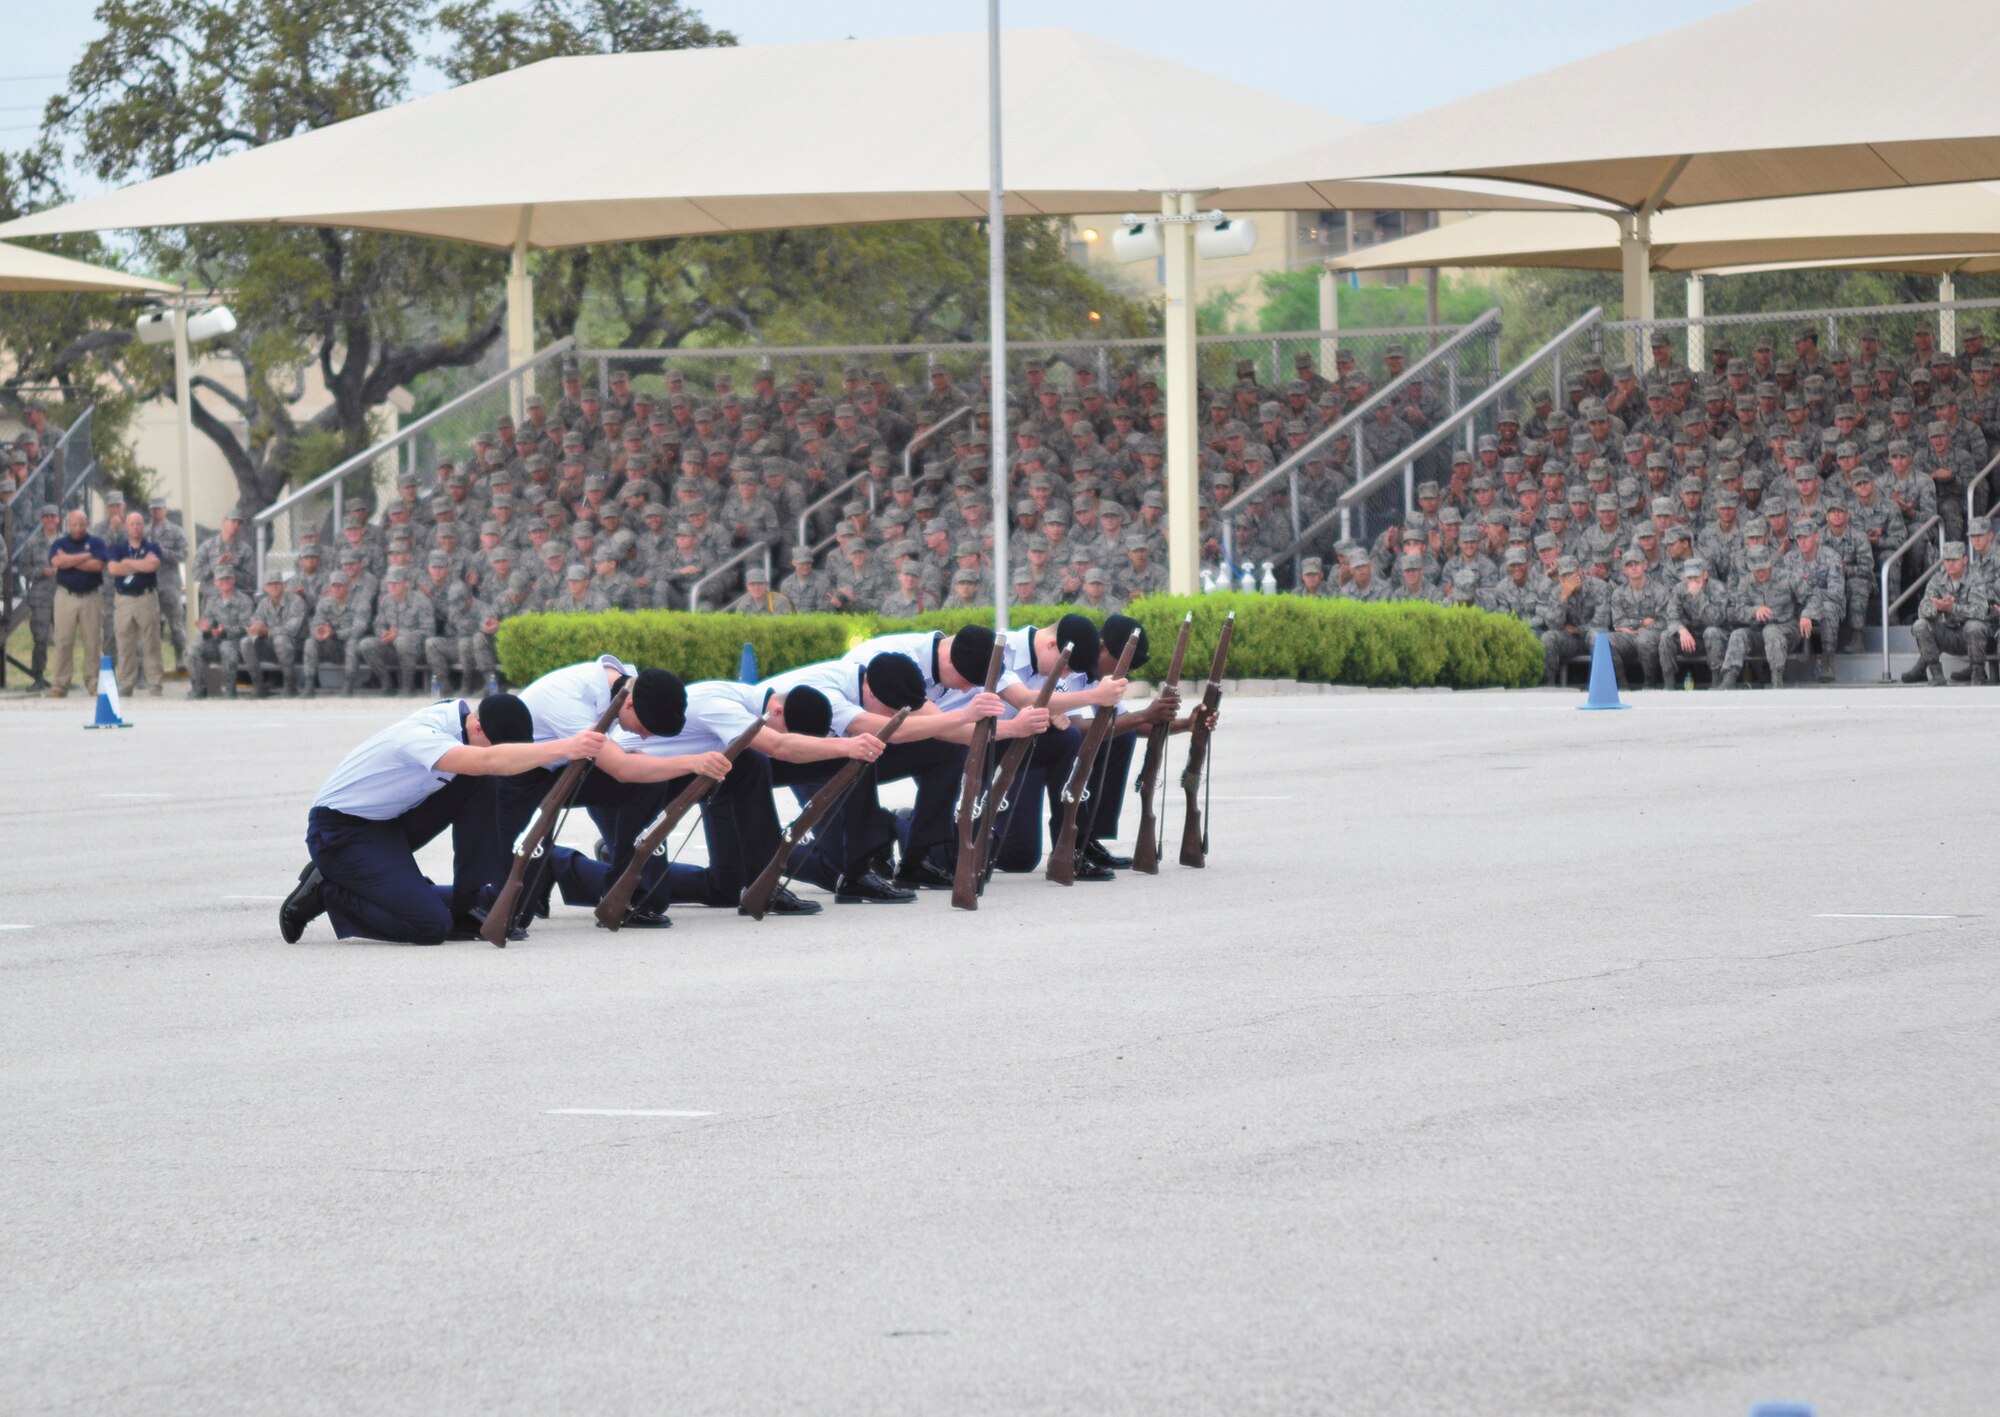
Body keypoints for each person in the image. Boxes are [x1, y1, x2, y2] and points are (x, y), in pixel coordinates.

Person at [280, 693, 605, 945]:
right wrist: (568, 746)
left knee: (483, 779)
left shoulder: (465, 720)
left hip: (390, 821)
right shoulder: (421, 735)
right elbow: (491, 759)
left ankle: (473, 898)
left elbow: (492, 759)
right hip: (342, 833)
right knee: (430, 925)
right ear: (478, 727)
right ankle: (328, 888)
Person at [549, 680, 887, 919]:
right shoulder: (722, 703)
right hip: (628, 785)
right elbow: (779, 747)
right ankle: (557, 864)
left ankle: (761, 881)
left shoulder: (748, 700)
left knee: (728, 885)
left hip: (674, 778)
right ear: (780, 711)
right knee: (646, 898)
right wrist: (846, 746)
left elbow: (774, 750)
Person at [461, 656, 694, 935]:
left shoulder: (627, 683)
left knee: (648, 782)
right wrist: (694, 762)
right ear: (629, 704)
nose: (644, 738)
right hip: (523, 775)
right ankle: (545, 864)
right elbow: (619, 768)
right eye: (645, 729)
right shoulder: (569, 699)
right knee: (511, 915)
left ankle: (623, 893)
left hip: (570, 767)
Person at [1904, 541, 1990, 686]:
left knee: (1975, 626)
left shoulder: (1975, 578)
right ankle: (1936, 675)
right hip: (1947, 634)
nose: (1950, 564)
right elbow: (1922, 609)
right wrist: (1937, 608)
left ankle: (1978, 674)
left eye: (1954, 560)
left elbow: (1980, 611)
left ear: (1964, 560)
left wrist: (1952, 608)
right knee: (1920, 625)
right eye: (1947, 560)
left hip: (1971, 637)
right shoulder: (1937, 580)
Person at [45, 507, 107, 698]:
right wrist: (84, 556)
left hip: (91, 597)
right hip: (66, 597)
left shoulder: (96, 542)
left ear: (87, 524)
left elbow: (97, 565)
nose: (78, 528)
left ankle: (94, 683)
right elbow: (57, 562)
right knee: (63, 640)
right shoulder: (59, 542)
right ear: (68, 524)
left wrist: (68, 560)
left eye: (81, 524)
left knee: (93, 642)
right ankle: (60, 684)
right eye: (74, 524)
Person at [104, 509, 165, 697]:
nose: (136, 527)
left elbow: (152, 565)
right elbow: (114, 569)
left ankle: (155, 684)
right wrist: (140, 564)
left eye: (139, 523)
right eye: (132, 523)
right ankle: (127, 683)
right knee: (124, 642)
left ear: (143, 526)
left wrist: (128, 563)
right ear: (126, 526)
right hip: (124, 599)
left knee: (151, 642)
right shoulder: (117, 548)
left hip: (146, 597)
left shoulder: (152, 547)